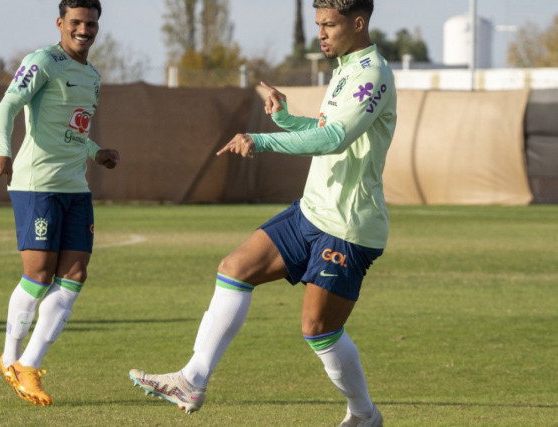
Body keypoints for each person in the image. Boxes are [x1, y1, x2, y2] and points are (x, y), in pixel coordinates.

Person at [128, 1, 395, 425]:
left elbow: (336, 140)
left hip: (347, 226)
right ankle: (192, 379)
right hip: (312, 210)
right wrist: (286, 120)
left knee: (317, 330)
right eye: (317, 25)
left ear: (358, 23)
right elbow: (325, 130)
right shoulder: (344, 68)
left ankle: (364, 415)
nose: (320, 33)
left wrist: (263, 140)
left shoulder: (373, 74)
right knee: (235, 267)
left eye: (329, 24)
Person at [0, 0, 118, 407]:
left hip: (76, 187)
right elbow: (8, 106)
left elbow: (70, 130)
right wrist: (1, 152)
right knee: (39, 275)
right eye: (75, 22)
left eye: (90, 23)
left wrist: (95, 153)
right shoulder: (43, 61)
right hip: (37, 185)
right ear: (60, 23)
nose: (83, 30)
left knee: (75, 273)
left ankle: (29, 364)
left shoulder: (92, 75)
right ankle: (9, 356)